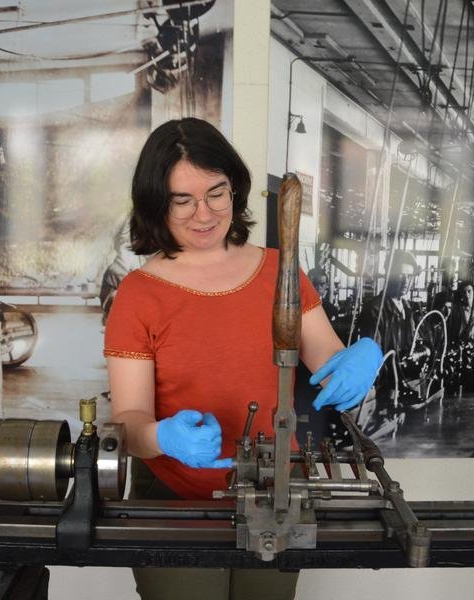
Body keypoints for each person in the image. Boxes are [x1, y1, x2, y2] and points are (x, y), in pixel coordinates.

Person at [103, 118, 384, 600]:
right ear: (156, 203)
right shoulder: (138, 294)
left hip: (280, 492)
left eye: (216, 193)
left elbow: (330, 364)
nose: (204, 214)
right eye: (182, 200)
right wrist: (162, 437)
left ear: (235, 188)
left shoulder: (281, 271)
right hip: (176, 500)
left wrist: (364, 358)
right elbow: (128, 421)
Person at [356, 250, 421, 412]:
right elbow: (373, 358)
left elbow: (414, 342)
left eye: (409, 276)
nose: (405, 281)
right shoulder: (375, 310)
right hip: (383, 390)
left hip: (406, 382)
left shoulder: (408, 308)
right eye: (400, 275)